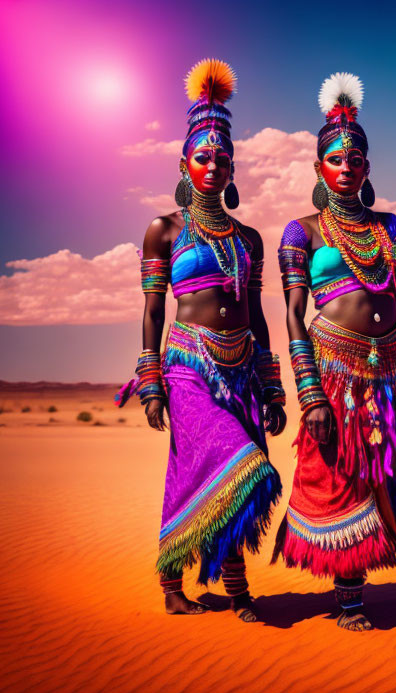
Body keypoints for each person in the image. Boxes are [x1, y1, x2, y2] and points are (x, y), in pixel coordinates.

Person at [273, 73, 396, 631]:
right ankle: (349, 599)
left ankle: (358, 587)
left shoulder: (390, 227)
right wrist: (310, 395)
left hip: (389, 370)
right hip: (333, 368)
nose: (347, 165)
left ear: (368, 168)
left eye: (356, 157)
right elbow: (294, 315)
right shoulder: (300, 232)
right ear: (319, 168)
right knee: (339, 473)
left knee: (380, 470)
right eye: (335, 157)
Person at [116, 59, 286, 622]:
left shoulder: (250, 238)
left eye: (223, 159)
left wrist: (274, 386)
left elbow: (258, 318)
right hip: (187, 364)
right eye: (202, 157)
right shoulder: (163, 230)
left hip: (241, 368)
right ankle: (185, 578)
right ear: (184, 164)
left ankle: (227, 588)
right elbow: (153, 309)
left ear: (234, 167)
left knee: (200, 476)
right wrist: (151, 382)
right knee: (239, 465)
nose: (213, 166)